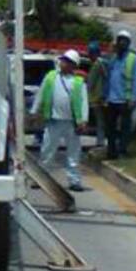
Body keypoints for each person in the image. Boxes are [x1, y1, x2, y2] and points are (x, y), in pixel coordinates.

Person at [30, 49, 89, 192]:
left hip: (72, 123)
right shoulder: (51, 77)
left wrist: (83, 120)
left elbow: (84, 102)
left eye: (66, 61)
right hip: (53, 121)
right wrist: (34, 111)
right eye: (63, 60)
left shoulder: (79, 82)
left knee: (73, 153)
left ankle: (74, 181)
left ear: (73, 65)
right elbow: (41, 93)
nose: (62, 62)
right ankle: (41, 178)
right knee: (47, 150)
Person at [104, 29, 136, 159]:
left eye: (124, 41)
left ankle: (123, 150)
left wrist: (133, 98)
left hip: (125, 100)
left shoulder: (134, 59)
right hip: (112, 99)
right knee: (110, 128)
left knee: (125, 128)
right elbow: (109, 77)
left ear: (128, 43)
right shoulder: (114, 59)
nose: (121, 43)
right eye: (119, 40)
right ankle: (111, 151)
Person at [85, 39, 108, 149]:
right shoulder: (103, 63)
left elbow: (91, 83)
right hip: (102, 96)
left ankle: (100, 142)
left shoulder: (97, 65)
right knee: (102, 121)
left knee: (100, 121)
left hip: (97, 97)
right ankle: (101, 141)